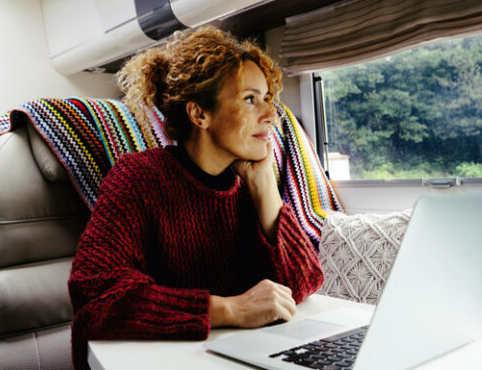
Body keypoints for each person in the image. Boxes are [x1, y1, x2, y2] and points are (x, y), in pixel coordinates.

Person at [68, 26, 324, 370]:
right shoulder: (139, 178)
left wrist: (265, 191)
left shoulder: (249, 180)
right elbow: (96, 295)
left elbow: (303, 283)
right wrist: (228, 309)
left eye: (267, 98)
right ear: (199, 114)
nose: (270, 115)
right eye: (250, 99)